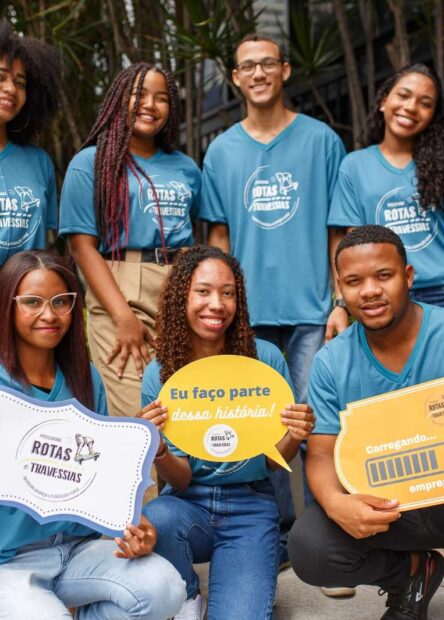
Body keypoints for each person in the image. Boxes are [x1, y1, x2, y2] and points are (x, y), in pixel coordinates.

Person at [199, 32, 348, 572]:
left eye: (267, 63)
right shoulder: (221, 151)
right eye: (248, 66)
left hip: (312, 310)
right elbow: (218, 237)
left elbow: (338, 231)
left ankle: (329, 537)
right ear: (235, 78)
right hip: (248, 315)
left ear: (285, 70)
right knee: (264, 426)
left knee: (314, 426)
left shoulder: (322, 141)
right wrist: (219, 308)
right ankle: (280, 535)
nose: (258, 73)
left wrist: (341, 300)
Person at [0, 250, 186, 619]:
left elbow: (97, 473)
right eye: (32, 302)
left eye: (61, 301)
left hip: (75, 550)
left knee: (165, 589)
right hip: (10, 561)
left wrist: (136, 525)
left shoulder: (84, 376)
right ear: (7, 305)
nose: (49, 314)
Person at [139, 245, 315, 620]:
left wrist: (295, 434)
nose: (216, 304)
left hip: (251, 506)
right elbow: (181, 480)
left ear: (239, 300)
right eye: (203, 291)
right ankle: (187, 596)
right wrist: (158, 449)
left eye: (228, 293)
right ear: (181, 296)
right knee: (159, 516)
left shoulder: (265, 359)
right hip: (188, 505)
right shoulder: (160, 373)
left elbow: (272, 462)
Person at [288, 225, 444, 620]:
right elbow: (321, 455)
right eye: (354, 281)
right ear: (341, 288)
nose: (370, 291)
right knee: (311, 547)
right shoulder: (331, 362)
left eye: (383, 275)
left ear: (408, 276)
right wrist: (337, 503)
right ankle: (412, 573)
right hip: (386, 509)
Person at [59, 61, 201, 419]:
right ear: (118, 99)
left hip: (181, 284)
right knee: (139, 413)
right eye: (139, 94)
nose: (150, 105)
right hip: (122, 287)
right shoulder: (89, 163)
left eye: (161, 97)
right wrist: (122, 316)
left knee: (185, 403)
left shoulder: (185, 166)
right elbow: (81, 247)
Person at [329, 63, 444, 307]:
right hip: (383, 295)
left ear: (433, 116)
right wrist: (342, 303)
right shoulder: (354, 166)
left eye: (425, 103)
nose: (410, 107)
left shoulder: (441, 164)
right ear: (383, 101)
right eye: (403, 95)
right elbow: (350, 242)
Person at [0, 21, 59, 266]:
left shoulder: (39, 162)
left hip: (25, 287)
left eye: (20, 83)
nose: (11, 89)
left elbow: (47, 240)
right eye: (1, 77)